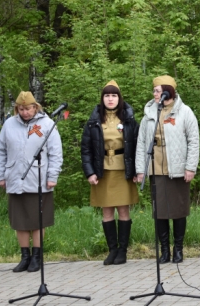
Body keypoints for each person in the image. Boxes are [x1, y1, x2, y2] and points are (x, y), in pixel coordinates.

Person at [135, 75, 199, 264]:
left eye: (157, 90)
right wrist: (141, 169)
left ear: (167, 91)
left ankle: (178, 249)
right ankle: (164, 250)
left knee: (178, 211)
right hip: (156, 168)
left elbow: (194, 141)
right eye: (154, 90)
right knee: (160, 212)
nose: (154, 93)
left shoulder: (184, 112)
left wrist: (190, 167)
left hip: (177, 169)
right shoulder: (149, 114)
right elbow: (141, 143)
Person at [0, 91, 63, 273]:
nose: (25, 112)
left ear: (35, 107)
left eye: (28, 108)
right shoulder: (9, 124)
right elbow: (1, 150)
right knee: (19, 220)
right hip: (15, 178)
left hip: (38, 180)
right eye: (21, 109)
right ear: (16, 109)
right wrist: (1, 175)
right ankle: (24, 256)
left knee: (37, 220)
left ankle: (37, 256)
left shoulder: (47, 124)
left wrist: (52, 177)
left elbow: (55, 153)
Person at [80, 80, 139, 265]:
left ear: (119, 98)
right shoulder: (94, 120)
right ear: (102, 98)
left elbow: (138, 146)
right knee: (106, 212)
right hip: (102, 170)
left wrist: (138, 171)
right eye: (107, 95)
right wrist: (90, 172)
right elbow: (86, 149)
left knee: (123, 210)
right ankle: (112, 250)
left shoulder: (128, 119)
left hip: (123, 170)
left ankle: (122, 251)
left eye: (114, 95)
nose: (110, 99)